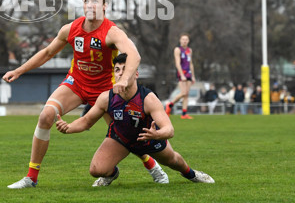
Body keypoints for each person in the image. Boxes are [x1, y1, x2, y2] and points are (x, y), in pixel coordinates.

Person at [3, 0, 166, 189]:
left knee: (124, 133)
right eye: (86, 1)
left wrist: (124, 80)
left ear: (105, 6)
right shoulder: (71, 29)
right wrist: (19, 70)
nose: (90, 5)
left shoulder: (112, 32)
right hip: (77, 84)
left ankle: (152, 166)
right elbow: (47, 53)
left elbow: (135, 55)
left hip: (105, 89)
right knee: (45, 116)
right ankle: (31, 178)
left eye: (95, 1)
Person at [55, 53, 214, 186]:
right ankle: (111, 174)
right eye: (117, 70)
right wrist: (68, 127)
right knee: (96, 170)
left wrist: (157, 135)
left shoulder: (148, 98)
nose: (120, 73)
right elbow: (86, 121)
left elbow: (169, 129)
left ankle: (192, 174)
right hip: (120, 139)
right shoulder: (106, 97)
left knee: (174, 161)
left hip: (148, 139)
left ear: (135, 74)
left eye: (125, 70)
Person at [165, 34, 196, 119]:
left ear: (188, 41)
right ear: (180, 40)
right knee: (183, 92)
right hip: (182, 73)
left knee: (187, 94)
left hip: (189, 73)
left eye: (186, 39)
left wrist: (193, 76)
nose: (184, 41)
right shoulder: (177, 49)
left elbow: (191, 63)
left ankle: (184, 114)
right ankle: (170, 104)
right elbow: (177, 63)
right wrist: (182, 74)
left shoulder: (190, 50)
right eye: (183, 39)